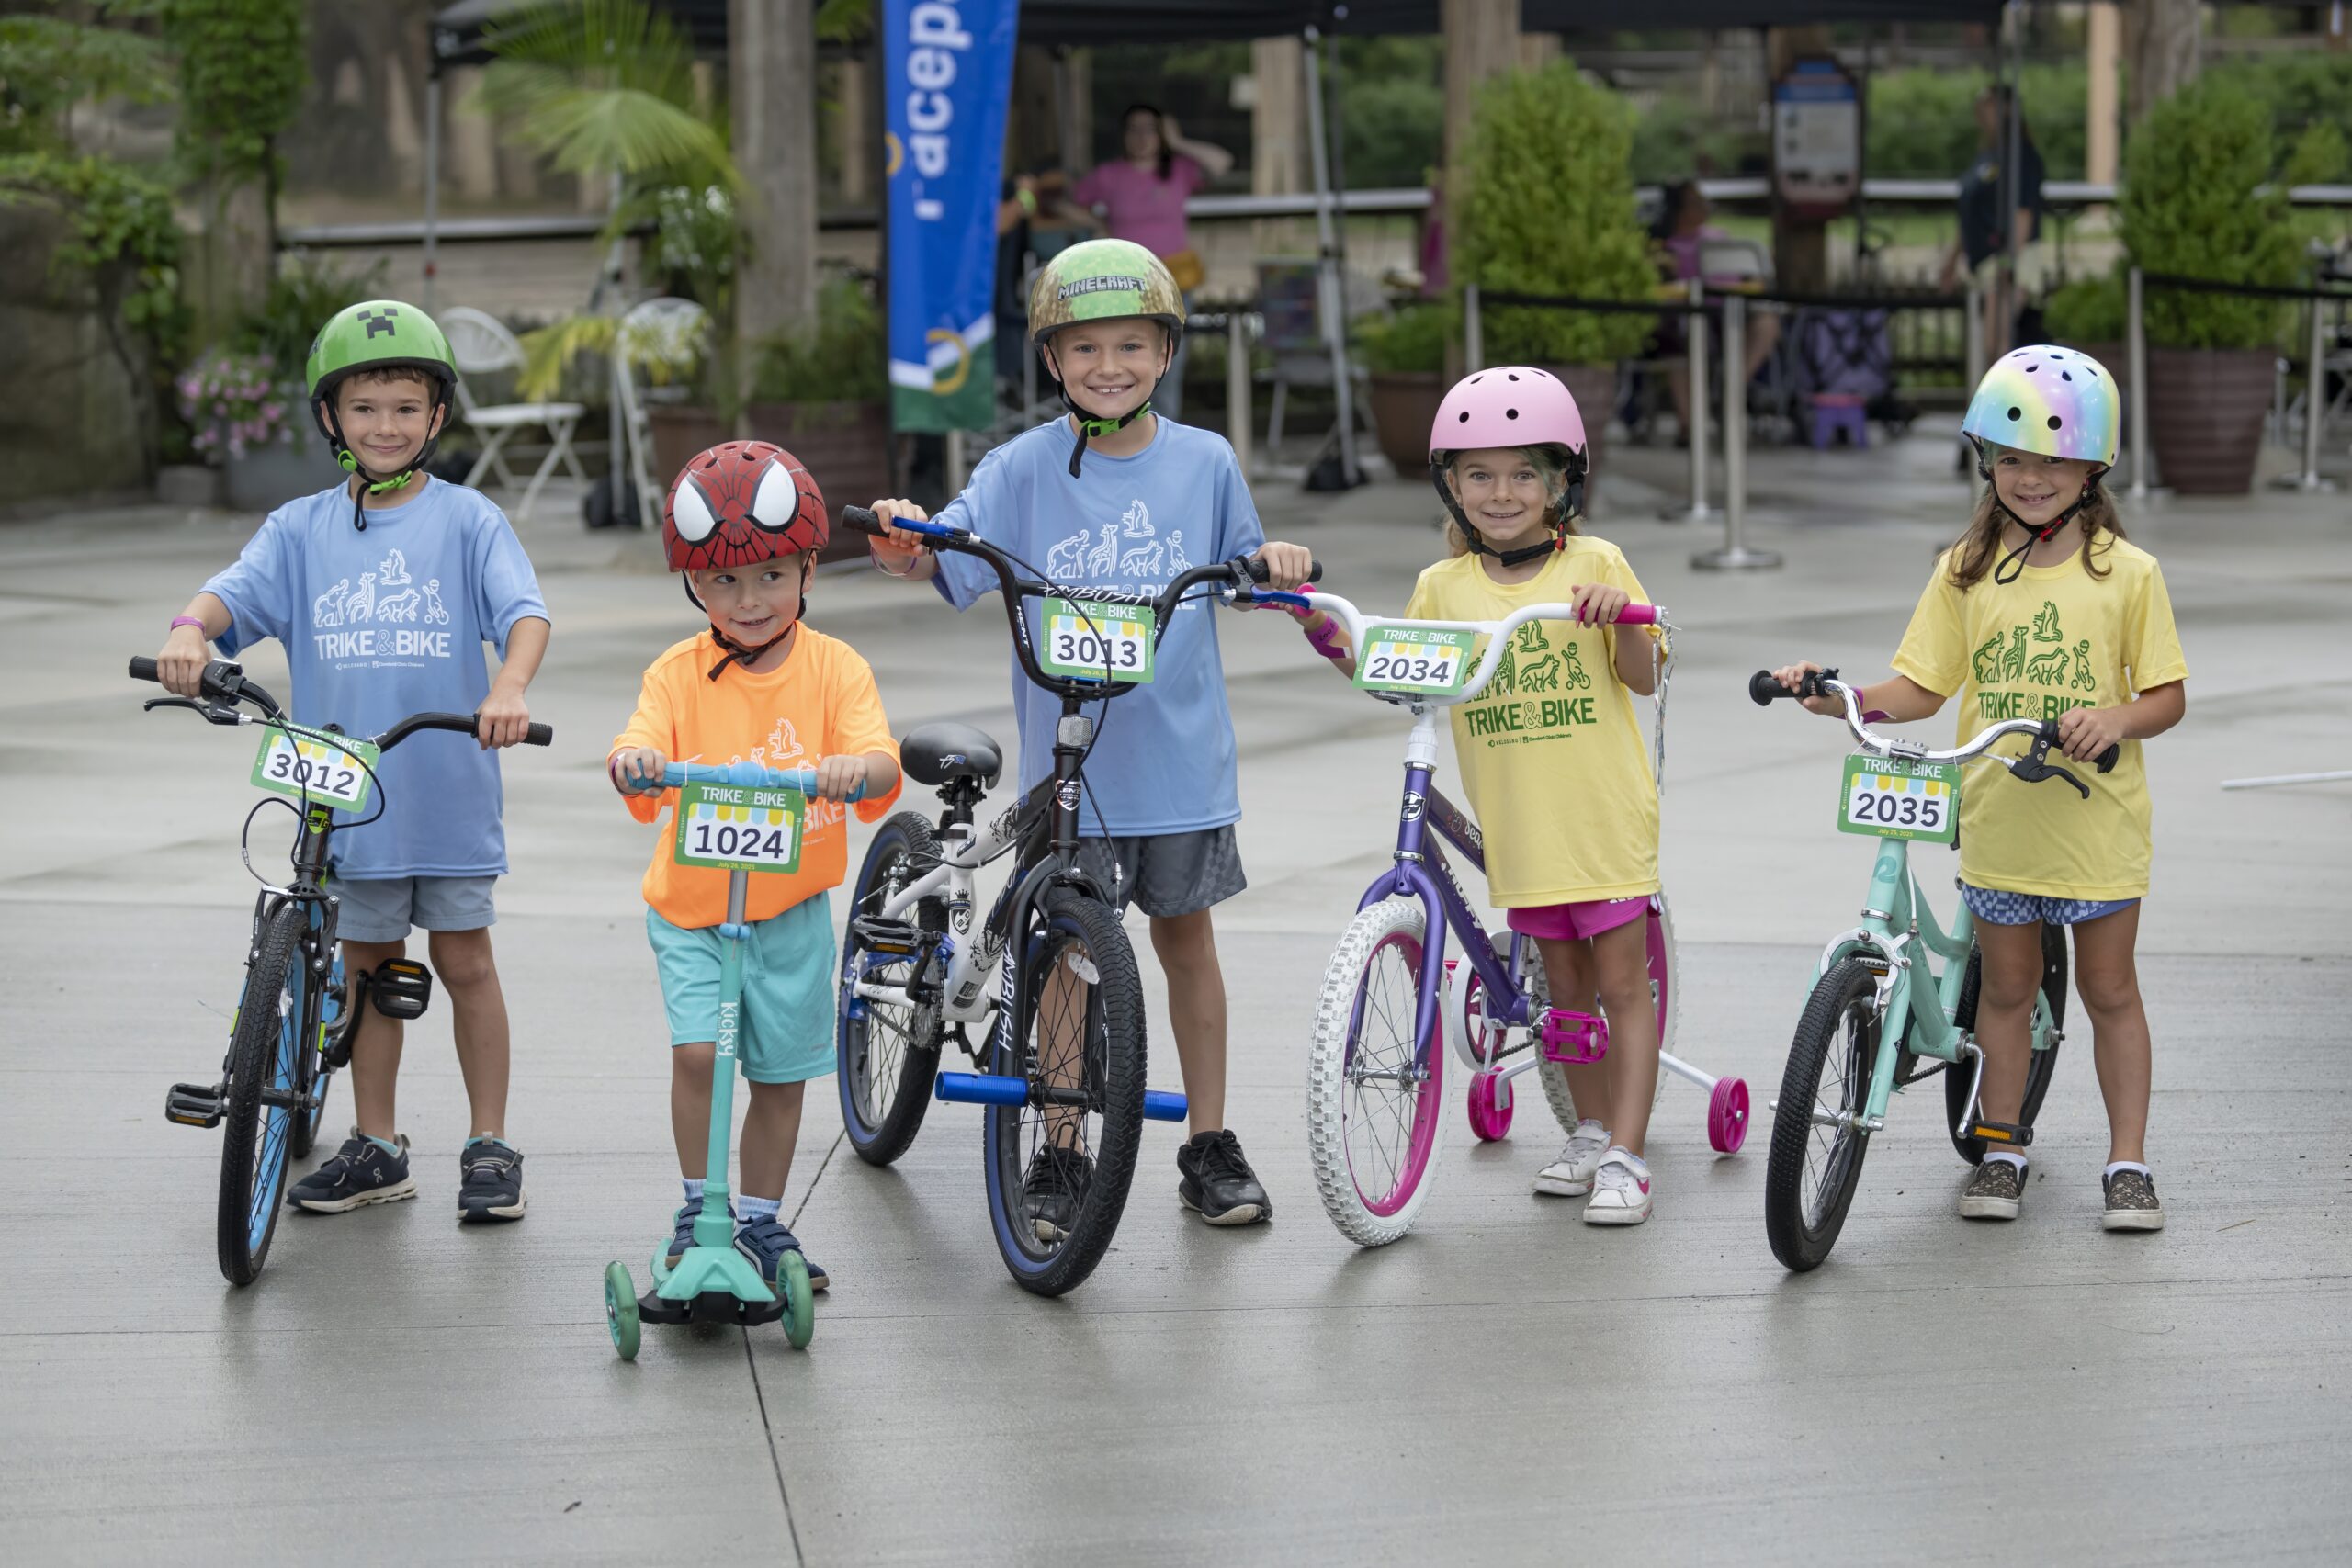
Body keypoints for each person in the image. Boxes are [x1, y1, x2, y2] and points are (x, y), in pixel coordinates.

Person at [865, 238, 1313, 1229]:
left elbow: (1248, 573)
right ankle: (1062, 1144)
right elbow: (940, 553)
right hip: (1072, 767)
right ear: (1051, 359)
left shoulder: (1205, 461)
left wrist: (1276, 562)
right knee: (1066, 957)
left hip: (1181, 762)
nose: (1109, 366)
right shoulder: (1021, 468)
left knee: (1187, 941)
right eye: (1085, 348)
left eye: (1131, 345)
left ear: (1165, 352)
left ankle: (1208, 1142)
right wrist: (902, 537)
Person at [1770, 346, 2185, 1232]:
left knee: (2110, 989)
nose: (2031, 478)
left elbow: (2166, 697)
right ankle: (2002, 1148)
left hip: (2096, 825)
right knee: (2005, 989)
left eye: (2053, 460)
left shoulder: (2128, 573)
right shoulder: (1967, 566)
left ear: (2093, 467)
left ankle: (2129, 1162)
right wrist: (1841, 697)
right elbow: (1922, 686)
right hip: (1999, 818)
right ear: (1985, 460)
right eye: (2011, 457)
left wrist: (2114, 717)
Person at [154, 299, 550, 1222]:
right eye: (365, 407)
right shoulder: (300, 529)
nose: (385, 426)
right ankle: (378, 1143)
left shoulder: (469, 520)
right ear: (331, 417)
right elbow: (227, 594)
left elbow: (524, 613)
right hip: (344, 798)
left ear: (437, 416)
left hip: (445, 791)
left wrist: (510, 686)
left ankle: (489, 1141)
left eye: (406, 407)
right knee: (368, 972)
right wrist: (187, 631)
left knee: (466, 963)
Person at [1287, 368, 1669, 1224]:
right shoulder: (1443, 587)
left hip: (1601, 822)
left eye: (1524, 473)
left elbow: (1643, 675)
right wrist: (1316, 621)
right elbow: (1392, 670)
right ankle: (1589, 1128)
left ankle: (1627, 1154)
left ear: (1561, 483)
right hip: (1523, 829)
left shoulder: (1595, 564)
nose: (1502, 493)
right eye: (1480, 475)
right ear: (1451, 487)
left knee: (1621, 986)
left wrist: (1622, 615)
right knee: (1563, 995)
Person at [610, 442, 903, 1292]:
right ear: (694, 586)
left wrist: (855, 769)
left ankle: (763, 1218)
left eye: (771, 575)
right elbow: (638, 743)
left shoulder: (835, 668)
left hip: (790, 916)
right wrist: (634, 762)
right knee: (700, 1054)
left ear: (808, 569)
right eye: (724, 581)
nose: (749, 600)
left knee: (779, 1075)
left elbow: (879, 759)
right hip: (694, 912)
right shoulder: (676, 674)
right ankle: (696, 1206)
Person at [1069, 105, 1234, 421]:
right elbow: (1066, 201)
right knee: (1124, 362)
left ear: (1161, 135)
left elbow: (1222, 162)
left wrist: (1178, 142)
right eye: (1134, 129)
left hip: (1173, 282)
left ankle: (1164, 433)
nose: (1142, 137)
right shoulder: (1110, 175)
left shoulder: (1179, 170)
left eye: (1150, 130)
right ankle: (1127, 432)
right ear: (1123, 135)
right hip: (1125, 283)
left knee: (1169, 363)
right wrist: (1095, 223)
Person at [1653, 180, 1781, 445]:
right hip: (1685, 314)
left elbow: (1749, 277)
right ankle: (1689, 425)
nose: (1703, 207)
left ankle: (1731, 389)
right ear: (1678, 209)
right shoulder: (1663, 246)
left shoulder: (1719, 237)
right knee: (1675, 336)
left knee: (1766, 323)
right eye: (1695, 202)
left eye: (1703, 201)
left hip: (1729, 311)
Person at [1943, 85, 2046, 362]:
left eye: (1988, 104)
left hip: (2008, 259)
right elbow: (1969, 211)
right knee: (1990, 346)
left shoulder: (2021, 155)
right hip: (1984, 262)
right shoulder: (1989, 154)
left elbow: (2023, 213)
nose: (1981, 112)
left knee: (1999, 345)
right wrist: (1952, 260)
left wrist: (2008, 262)